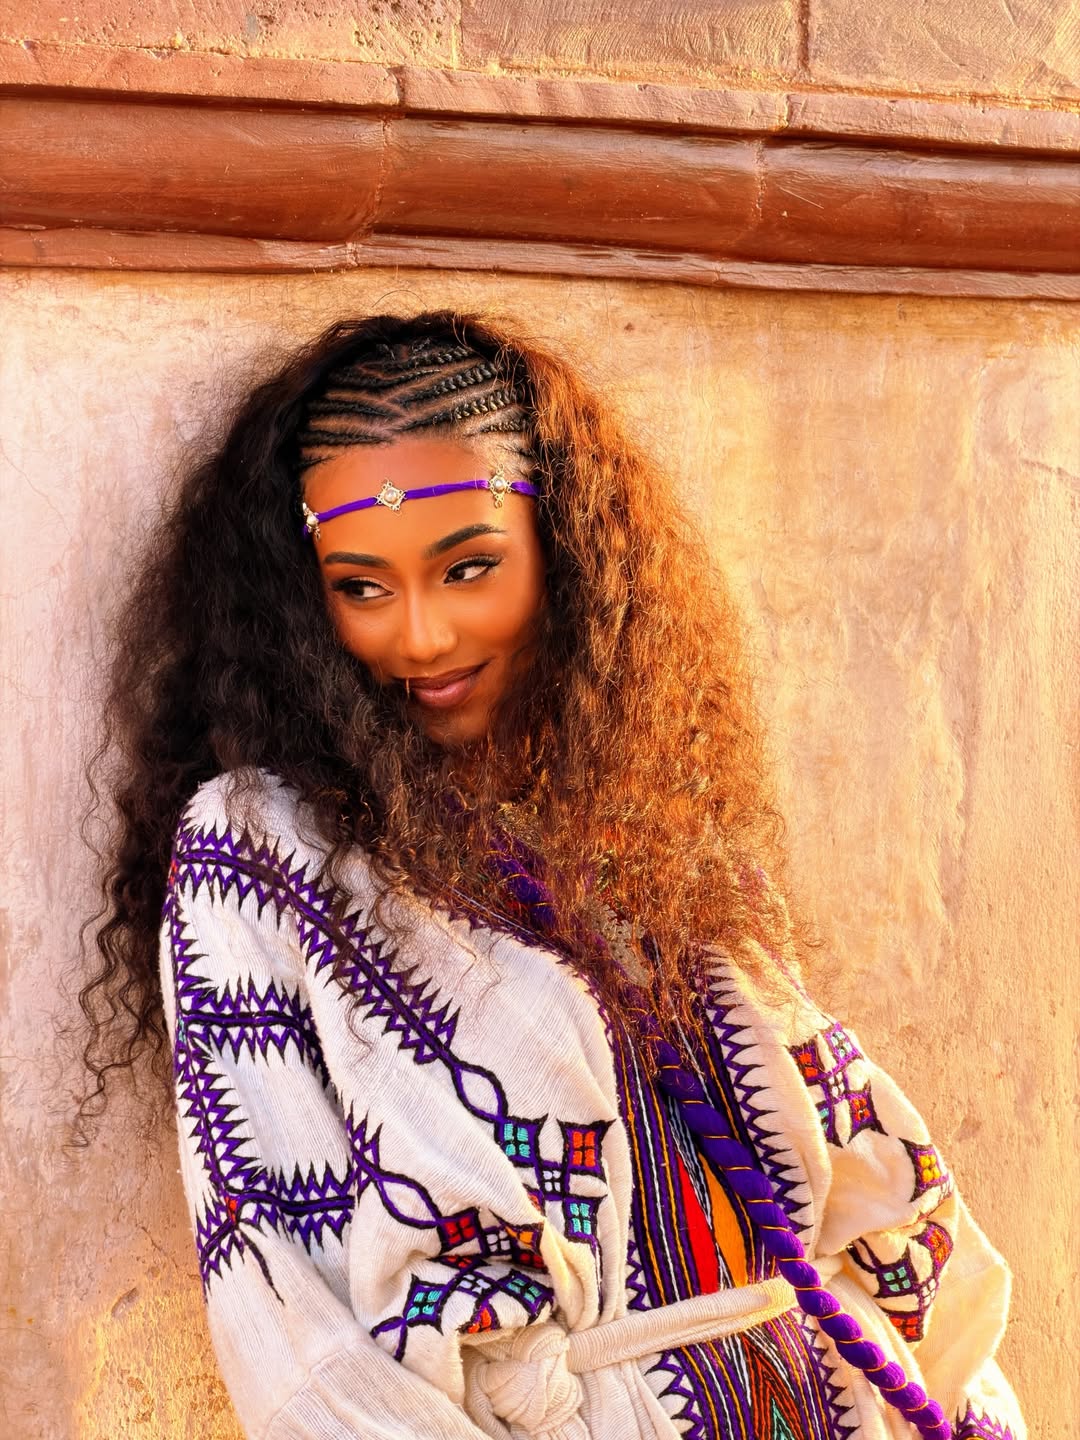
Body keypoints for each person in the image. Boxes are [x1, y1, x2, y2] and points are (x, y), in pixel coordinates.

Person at [82, 312, 1025, 1440]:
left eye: (467, 568)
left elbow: (863, 1192)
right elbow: (290, 1313)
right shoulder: (265, 857)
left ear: (564, 548)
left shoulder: (652, 819)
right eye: (363, 585)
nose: (422, 634)